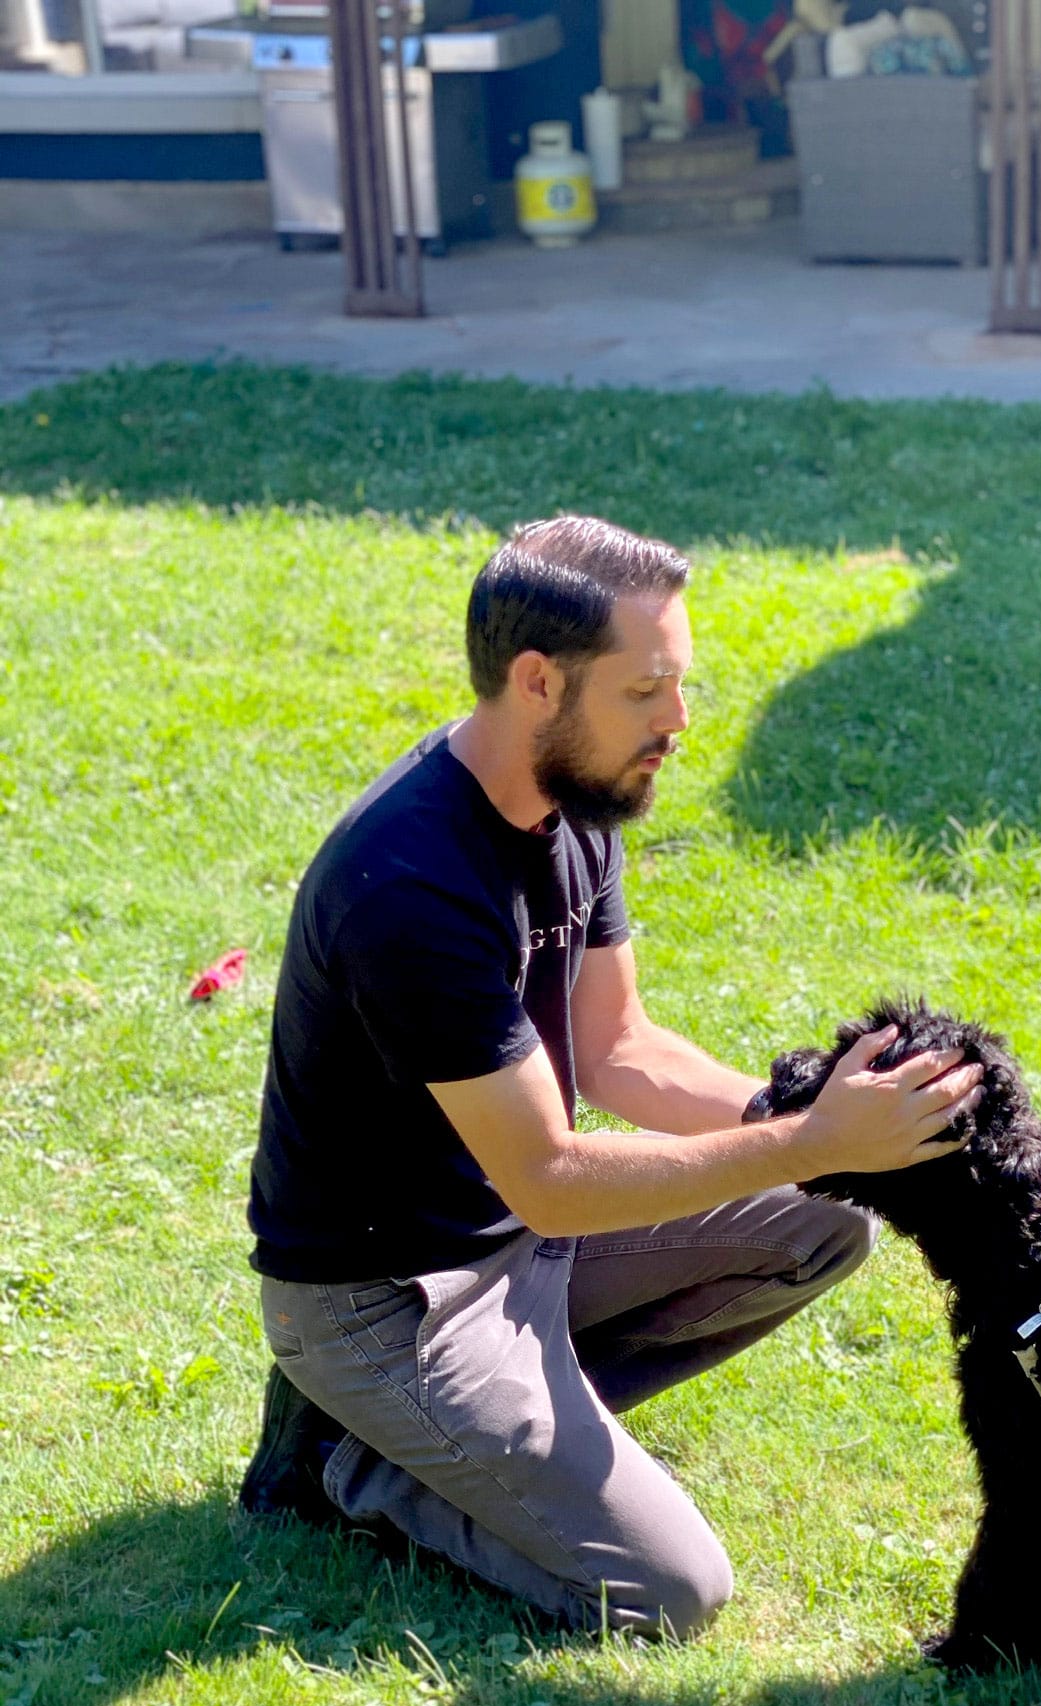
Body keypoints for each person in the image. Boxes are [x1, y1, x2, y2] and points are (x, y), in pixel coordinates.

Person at [241, 514, 983, 1643]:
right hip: (391, 1302)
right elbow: (548, 1174)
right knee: (671, 1592)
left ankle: (481, 1433)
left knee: (823, 1221)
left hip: (522, 1246)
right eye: (647, 692)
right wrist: (812, 1139)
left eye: (678, 685)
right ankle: (358, 1464)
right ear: (538, 681)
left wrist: (825, 1128)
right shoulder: (408, 883)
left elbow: (623, 1046)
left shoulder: (570, 795)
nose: (678, 723)